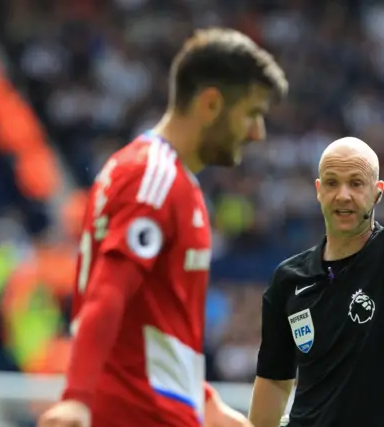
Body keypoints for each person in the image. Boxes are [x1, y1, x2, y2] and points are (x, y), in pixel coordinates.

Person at [37, 27, 288, 427]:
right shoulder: (152, 179)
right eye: (251, 113)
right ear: (210, 103)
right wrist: (77, 399)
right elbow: (108, 292)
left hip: (163, 411)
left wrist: (207, 405)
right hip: (135, 413)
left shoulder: (175, 184)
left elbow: (155, 322)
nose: (257, 132)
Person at [248, 44, 384, 427]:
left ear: (378, 192)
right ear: (318, 190)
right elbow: (273, 380)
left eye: (356, 183)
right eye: (332, 183)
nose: (344, 195)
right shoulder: (290, 279)